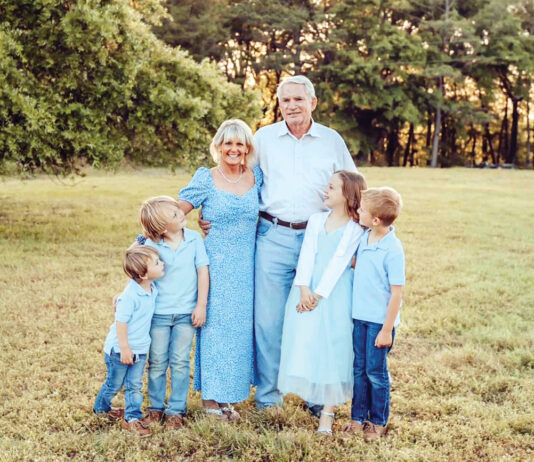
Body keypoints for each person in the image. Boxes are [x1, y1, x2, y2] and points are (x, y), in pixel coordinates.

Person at [253, 76, 357, 410]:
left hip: (321, 237)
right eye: (285, 101)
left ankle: (316, 396)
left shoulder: (331, 140)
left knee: (317, 316)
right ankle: (269, 396)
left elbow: (355, 189)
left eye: (298, 99)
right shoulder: (264, 138)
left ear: (312, 102)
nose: (292, 106)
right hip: (273, 234)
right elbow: (244, 181)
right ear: (279, 105)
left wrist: (362, 238)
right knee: (268, 320)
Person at [179, 119, 262, 421]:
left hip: (248, 267)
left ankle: (230, 397)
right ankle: (211, 400)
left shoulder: (256, 177)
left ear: (247, 148)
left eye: (240, 143)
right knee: (214, 329)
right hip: (215, 267)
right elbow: (178, 211)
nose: (234, 149)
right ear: (218, 147)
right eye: (228, 143)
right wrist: (152, 233)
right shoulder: (206, 178)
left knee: (240, 332)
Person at [278, 171, 366, 435]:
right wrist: (304, 288)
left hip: (334, 294)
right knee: (308, 341)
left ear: (347, 195)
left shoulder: (355, 228)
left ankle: (327, 413)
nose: (324, 191)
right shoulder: (317, 220)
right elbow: (307, 255)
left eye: (331, 187)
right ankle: (312, 396)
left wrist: (318, 295)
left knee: (335, 347)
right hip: (306, 290)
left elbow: (339, 263)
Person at [139, 196, 210, 429]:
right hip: (158, 314)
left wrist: (201, 305)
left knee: (180, 361)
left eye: (178, 211)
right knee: (157, 361)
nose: (181, 213)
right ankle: (156, 407)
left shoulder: (194, 240)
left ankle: (177, 409)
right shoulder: (150, 246)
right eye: (173, 214)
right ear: (160, 227)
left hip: (186, 314)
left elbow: (202, 272)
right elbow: (136, 267)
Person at [344, 187, 405, 441]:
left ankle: (377, 421)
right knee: (358, 369)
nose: (358, 211)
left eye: (362, 210)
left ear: (376, 220)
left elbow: (397, 294)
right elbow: (356, 263)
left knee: (375, 373)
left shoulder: (393, 249)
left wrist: (386, 329)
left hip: (380, 323)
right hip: (359, 318)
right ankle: (357, 418)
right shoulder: (364, 237)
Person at [94, 244, 164, 437]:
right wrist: (125, 349)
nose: (162, 264)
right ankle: (101, 409)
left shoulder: (152, 288)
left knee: (134, 384)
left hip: (140, 349)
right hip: (119, 350)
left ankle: (132, 417)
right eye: (157, 263)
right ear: (143, 275)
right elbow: (121, 323)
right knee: (114, 384)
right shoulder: (130, 297)